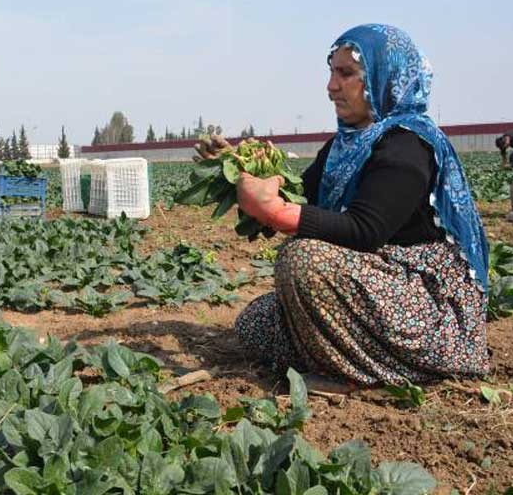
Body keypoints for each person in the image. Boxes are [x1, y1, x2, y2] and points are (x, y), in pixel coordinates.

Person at [202, 24, 489, 390]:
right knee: (255, 321)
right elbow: (300, 199)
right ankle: (345, 356)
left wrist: (275, 212)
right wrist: (239, 166)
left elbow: (364, 230)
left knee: (303, 260)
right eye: (331, 72)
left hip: (420, 304)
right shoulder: (344, 145)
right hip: (372, 291)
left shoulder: (407, 146)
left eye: (346, 73)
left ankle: (360, 374)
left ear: (386, 79)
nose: (331, 86)